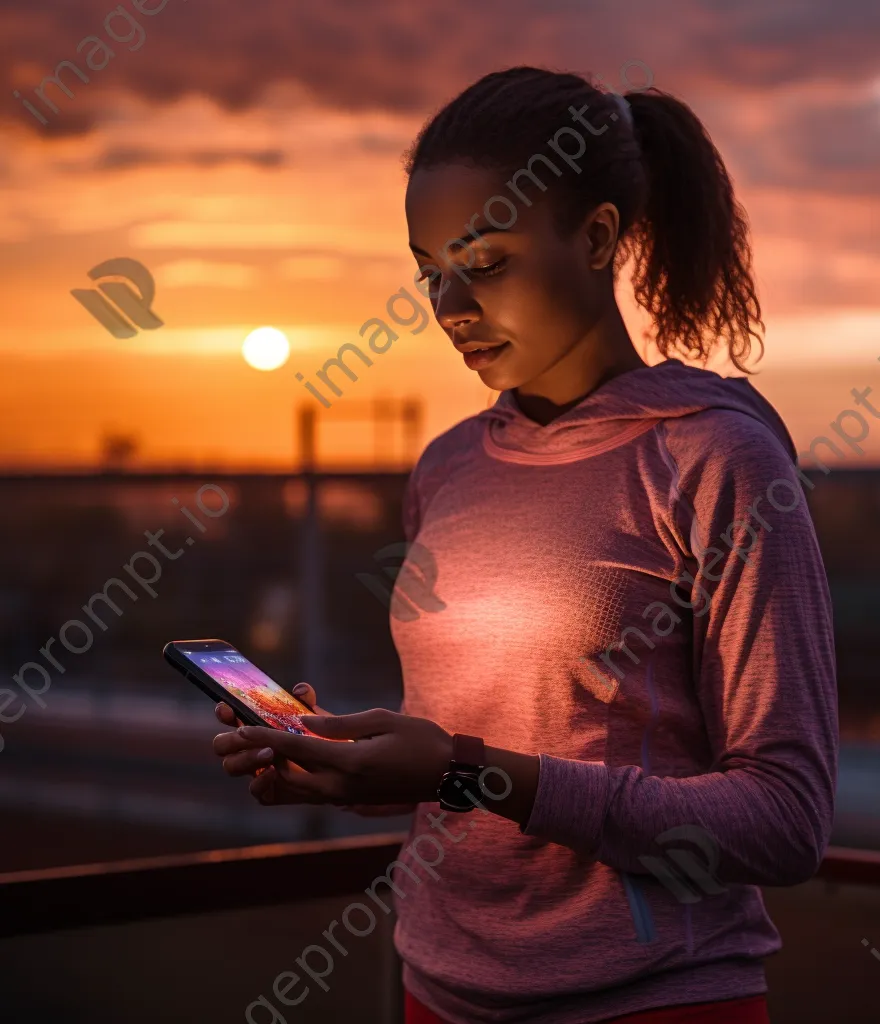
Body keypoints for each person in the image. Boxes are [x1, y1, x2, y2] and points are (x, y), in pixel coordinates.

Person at [214, 66, 838, 1024]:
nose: (450, 305)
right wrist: (361, 765)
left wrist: (463, 770)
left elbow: (786, 822)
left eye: (487, 260)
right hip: (438, 993)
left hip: (650, 1003)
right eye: (430, 270)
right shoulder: (448, 468)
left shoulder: (718, 460)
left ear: (594, 237)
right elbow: (477, 760)